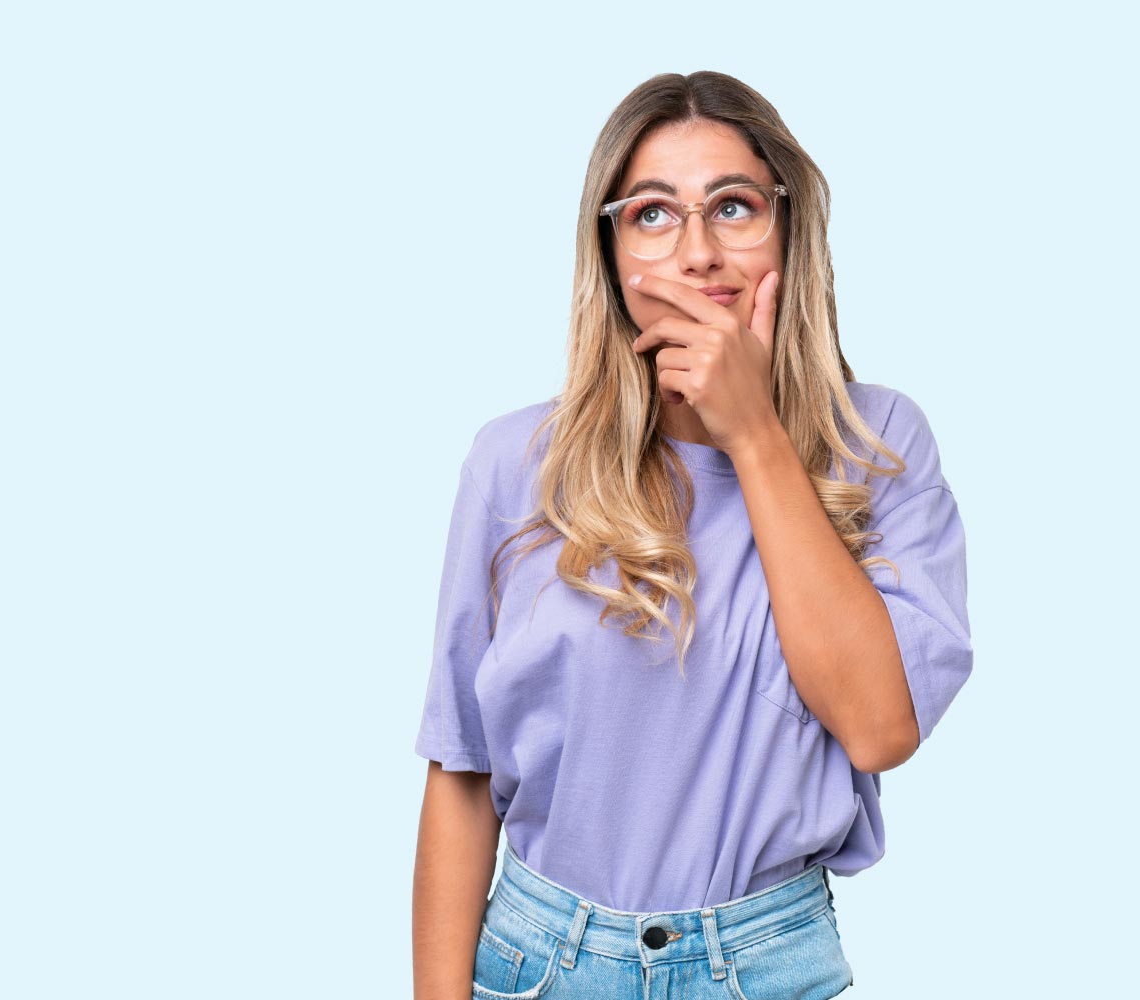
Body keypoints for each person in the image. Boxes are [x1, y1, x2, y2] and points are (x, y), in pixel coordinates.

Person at [412, 70, 973, 1000]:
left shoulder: (879, 445)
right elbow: (461, 773)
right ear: (611, 248)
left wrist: (753, 434)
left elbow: (879, 728)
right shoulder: (515, 462)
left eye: (735, 207)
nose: (700, 251)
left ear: (791, 231)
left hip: (765, 965)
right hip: (538, 963)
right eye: (655, 214)